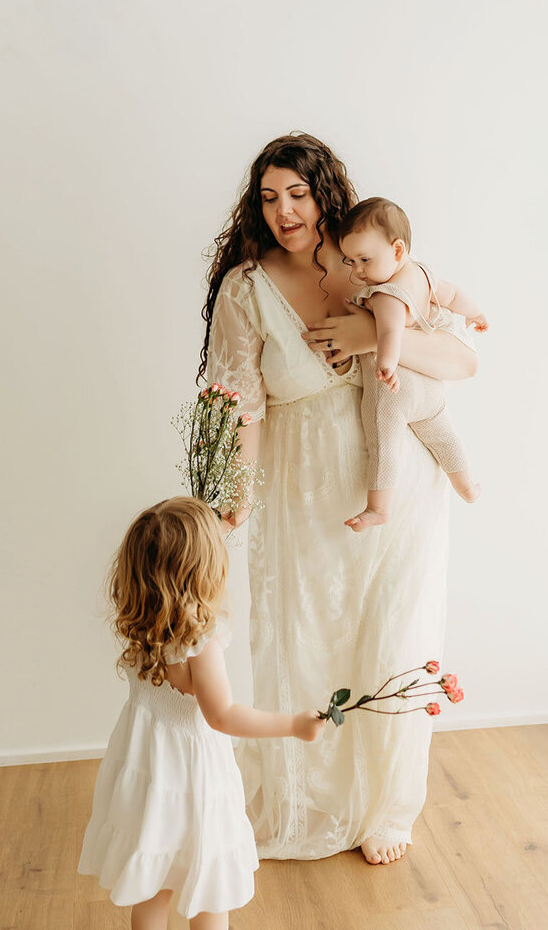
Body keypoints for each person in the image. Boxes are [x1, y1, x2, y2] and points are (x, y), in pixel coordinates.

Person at [199, 132, 477, 866]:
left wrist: (373, 333)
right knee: (311, 638)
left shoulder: (374, 264)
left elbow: (462, 358)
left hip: (399, 484)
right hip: (301, 490)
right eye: (268, 197)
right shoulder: (245, 288)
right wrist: (234, 502)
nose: (284, 210)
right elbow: (244, 407)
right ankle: (313, 797)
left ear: (326, 192)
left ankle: (390, 808)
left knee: (395, 634)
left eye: (296, 193)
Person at [77, 497, 323, 930]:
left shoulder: (142, 624)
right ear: (200, 574)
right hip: (193, 772)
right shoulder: (200, 641)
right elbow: (223, 715)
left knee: (155, 875)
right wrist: (293, 725)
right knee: (207, 873)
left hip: (146, 767)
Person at [339, 196, 486, 532]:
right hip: (430, 387)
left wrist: (387, 365)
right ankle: (466, 485)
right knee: (444, 435)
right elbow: (451, 295)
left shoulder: (386, 294)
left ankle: (378, 507)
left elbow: (389, 332)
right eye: (350, 261)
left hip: (396, 389)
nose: (357, 270)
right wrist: (475, 313)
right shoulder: (422, 274)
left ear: (397, 250)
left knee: (384, 442)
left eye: (364, 259)